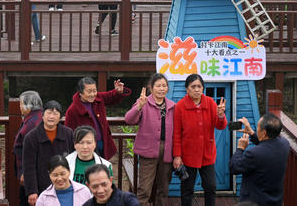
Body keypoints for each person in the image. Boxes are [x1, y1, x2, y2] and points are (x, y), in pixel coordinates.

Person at [173, 74, 227, 206]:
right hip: (188, 155)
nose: (197, 89)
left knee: (210, 186)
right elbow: (177, 133)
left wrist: (220, 116)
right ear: (187, 89)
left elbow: (220, 126)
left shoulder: (210, 103)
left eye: (199, 86)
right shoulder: (180, 106)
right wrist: (177, 156)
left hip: (207, 154)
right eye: (193, 86)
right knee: (187, 188)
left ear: (203, 88)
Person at [124, 73, 174, 205]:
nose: (162, 88)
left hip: (167, 151)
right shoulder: (144, 102)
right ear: (151, 88)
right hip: (148, 150)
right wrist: (139, 106)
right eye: (158, 86)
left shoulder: (172, 106)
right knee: (144, 189)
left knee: (163, 188)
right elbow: (129, 119)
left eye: (164, 86)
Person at [229, 114, 289, 206]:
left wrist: (240, 148)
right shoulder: (285, 144)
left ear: (264, 132)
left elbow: (234, 167)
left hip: (254, 202)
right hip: (275, 201)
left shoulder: (254, 154)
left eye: (257, 127)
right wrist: (252, 133)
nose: (257, 129)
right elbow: (267, 144)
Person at [65, 77, 131, 160]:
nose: (93, 94)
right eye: (89, 91)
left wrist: (118, 91)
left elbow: (111, 97)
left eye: (94, 90)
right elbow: (69, 134)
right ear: (80, 93)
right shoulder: (72, 110)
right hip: (86, 148)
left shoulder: (98, 98)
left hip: (103, 143)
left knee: (104, 169)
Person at [23, 100, 74, 205]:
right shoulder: (31, 137)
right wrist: (32, 191)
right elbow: (28, 167)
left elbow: (73, 160)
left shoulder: (68, 134)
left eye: (55, 114)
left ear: (60, 117)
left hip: (65, 184)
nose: (52, 116)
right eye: (49, 113)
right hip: (41, 185)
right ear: (42, 115)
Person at [13, 91, 43, 206]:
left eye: (21, 104)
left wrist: (24, 172)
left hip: (31, 173)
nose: (19, 107)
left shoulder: (33, 123)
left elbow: (31, 152)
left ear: (28, 105)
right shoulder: (33, 118)